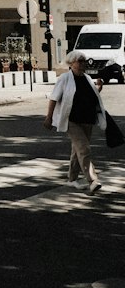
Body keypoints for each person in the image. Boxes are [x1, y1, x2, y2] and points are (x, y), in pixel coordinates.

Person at [44, 49, 105, 194]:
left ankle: (72, 179)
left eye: (84, 60)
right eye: (80, 61)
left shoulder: (87, 78)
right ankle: (92, 180)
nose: (83, 63)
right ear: (71, 63)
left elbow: (91, 96)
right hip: (72, 120)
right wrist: (49, 117)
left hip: (87, 119)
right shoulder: (65, 78)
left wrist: (99, 88)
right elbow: (54, 98)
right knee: (84, 149)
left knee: (77, 149)